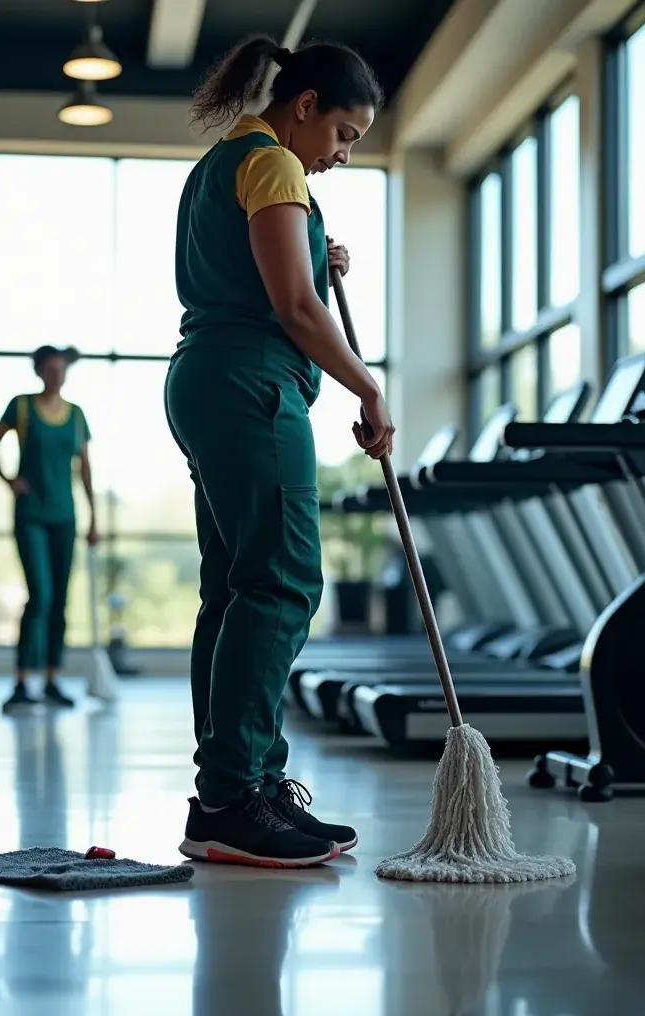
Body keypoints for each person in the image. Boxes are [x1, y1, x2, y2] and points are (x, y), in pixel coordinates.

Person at [165, 36, 394, 867]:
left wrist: (312, 246)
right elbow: (296, 309)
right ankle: (231, 796)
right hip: (251, 383)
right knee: (285, 581)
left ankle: (245, 788)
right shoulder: (275, 165)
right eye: (343, 134)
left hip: (206, 379)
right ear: (305, 107)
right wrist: (367, 387)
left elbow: (258, 270)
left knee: (234, 590)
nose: (340, 155)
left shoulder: (224, 163)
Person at [0, 345, 97, 713]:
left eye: (61, 369)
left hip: (65, 517)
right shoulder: (21, 406)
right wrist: (9, 479)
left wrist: (94, 517)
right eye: (50, 369)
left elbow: (84, 469)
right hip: (30, 514)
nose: (56, 375)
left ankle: (51, 678)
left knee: (60, 600)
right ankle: (21, 681)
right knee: (41, 595)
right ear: (38, 372)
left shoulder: (77, 415)